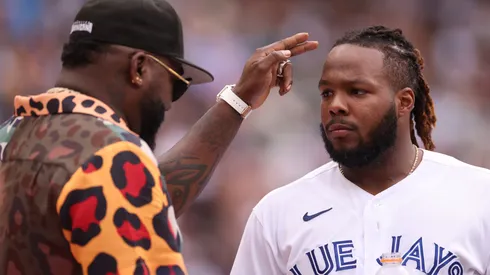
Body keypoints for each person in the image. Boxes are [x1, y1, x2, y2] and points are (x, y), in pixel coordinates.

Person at [0, 0, 318, 274]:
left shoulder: (12, 137)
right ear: (139, 68)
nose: (170, 101)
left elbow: (151, 195)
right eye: (175, 83)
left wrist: (237, 102)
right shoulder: (110, 158)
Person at [231, 25, 490, 275]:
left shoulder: (479, 196)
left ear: (404, 102)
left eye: (357, 91)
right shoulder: (277, 213)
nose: (336, 105)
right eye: (327, 93)